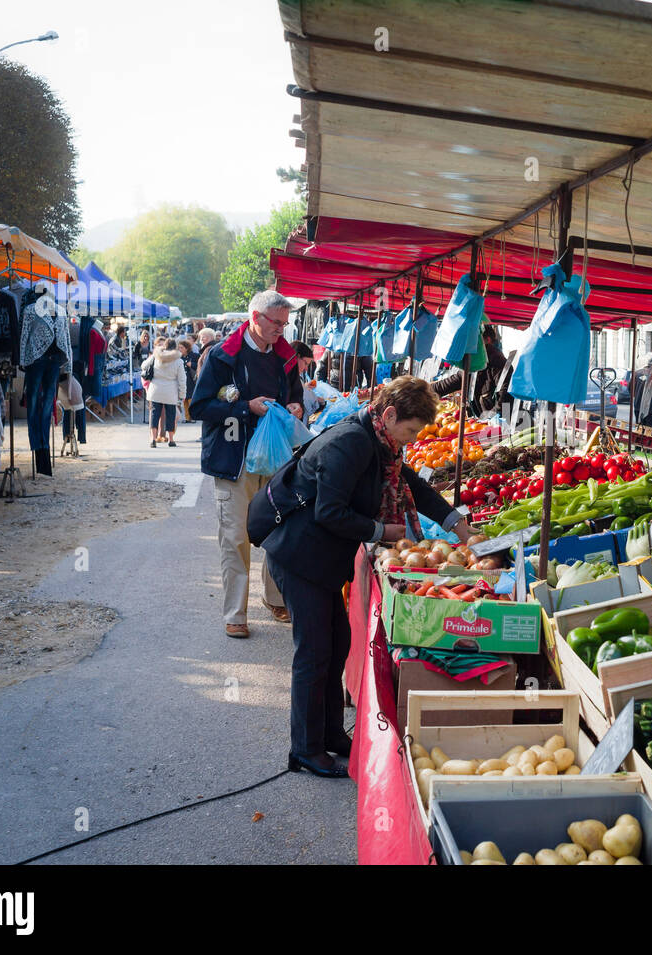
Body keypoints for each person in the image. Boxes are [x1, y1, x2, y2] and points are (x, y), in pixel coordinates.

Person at [261, 376, 478, 777]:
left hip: (323, 559)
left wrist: (458, 525)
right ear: (391, 414)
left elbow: (414, 486)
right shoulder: (351, 442)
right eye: (410, 431)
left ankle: (329, 734)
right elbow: (330, 512)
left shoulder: (380, 442)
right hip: (300, 555)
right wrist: (382, 532)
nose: (411, 440)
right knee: (313, 652)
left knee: (336, 642)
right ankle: (304, 749)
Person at [190, 290, 304, 639]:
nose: (281, 331)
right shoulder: (222, 356)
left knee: (278, 531)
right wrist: (245, 408)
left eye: (285, 324)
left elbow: (295, 394)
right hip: (233, 461)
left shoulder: (284, 357)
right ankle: (235, 614)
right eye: (276, 323)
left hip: (276, 460)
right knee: (236, 537)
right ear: (255, 318)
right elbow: (199, 407)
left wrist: (297, 406)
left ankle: (276, 599)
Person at [146, 337, 186, 447]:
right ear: (175, 347)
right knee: (171, 415)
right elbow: (182, 380)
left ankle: (152, 439)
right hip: (170, 390)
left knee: (154, 415)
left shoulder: (156, 356)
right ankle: (171, 440)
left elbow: (144, 366)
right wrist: (182, 394)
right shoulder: (179, 361)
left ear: (165, 346)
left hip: (155, 389)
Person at [177, 337, 197, 423]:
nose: (180, 349)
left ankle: (192, 416)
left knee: (191, 399)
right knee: (184, 399)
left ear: (187, 348)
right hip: (182, 380)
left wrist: (192, 364)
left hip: (191, 380)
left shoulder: (194, 355)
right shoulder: (178, 357)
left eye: (181, 347)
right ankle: (187, 417)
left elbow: (200, 365)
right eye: (179, 347)